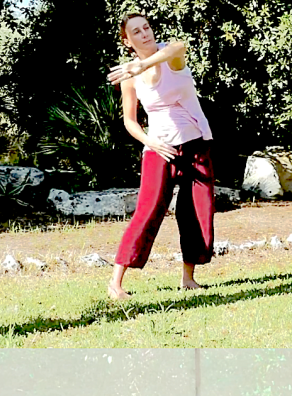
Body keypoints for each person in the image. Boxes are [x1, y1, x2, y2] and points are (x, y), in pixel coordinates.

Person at [106, 13, 216, 300]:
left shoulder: (170, 56)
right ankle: (115, 283)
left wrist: (142, 64)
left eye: (147, 27)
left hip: (195, 143)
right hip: (159, 149)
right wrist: (150, 141)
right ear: (127, 41)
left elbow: (178, 46)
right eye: (136, 31)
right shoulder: (130, 78)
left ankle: (188, 278)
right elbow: (130, 121)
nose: (145, 33)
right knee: (148, 210)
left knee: (196, 211)